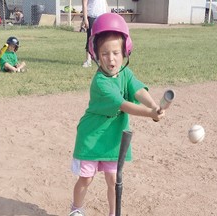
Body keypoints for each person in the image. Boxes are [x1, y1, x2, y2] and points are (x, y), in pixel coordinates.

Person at [69, 13, 165, 216]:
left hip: (114, 139)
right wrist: (150, 113)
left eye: (115, 52)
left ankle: (114, 213)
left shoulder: (124, 73)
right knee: (86, 178)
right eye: (104, 53)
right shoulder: (101, 83)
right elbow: (124, 105)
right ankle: (76, 209)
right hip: (92, 137)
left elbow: (138, 90)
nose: (111, 59)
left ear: (125, 51)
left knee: (113, 180)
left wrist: (155, 106)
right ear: (95, 54)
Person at [81, 0, 107, 68]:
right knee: (90, 38)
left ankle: (100, 59)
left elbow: (105, 3)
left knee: (102, 39)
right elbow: (84, 4)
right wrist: (85, 18)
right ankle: (88, 60)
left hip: (102, 17)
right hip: (92, 16)